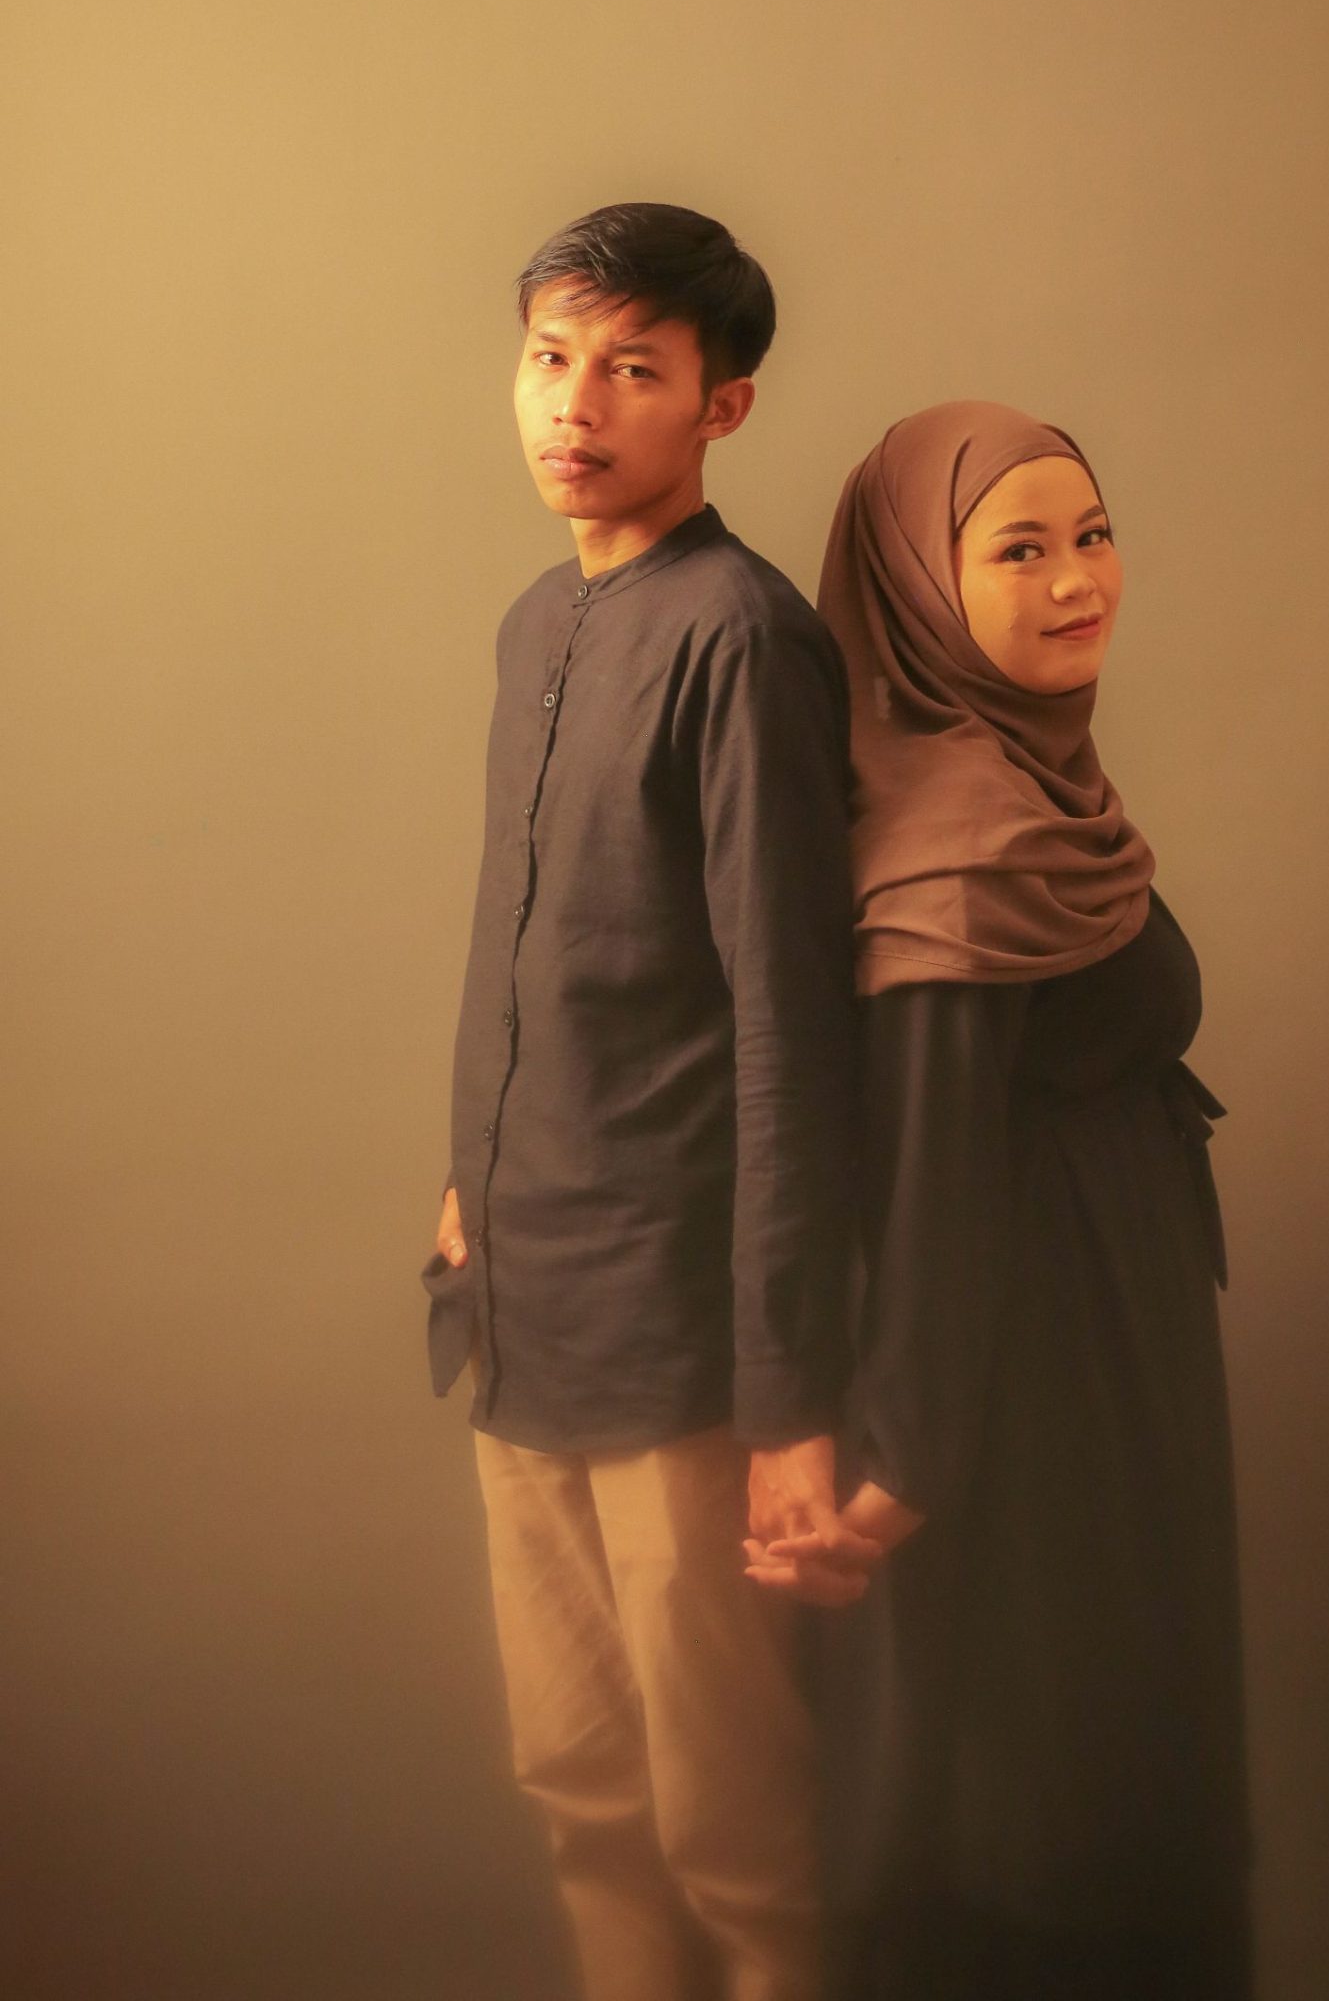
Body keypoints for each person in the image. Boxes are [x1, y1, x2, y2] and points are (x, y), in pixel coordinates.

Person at [746, 400, 1253, 2001]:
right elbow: (929, 1179)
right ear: (917, 584)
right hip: (1032, 1392)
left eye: (1092, 535)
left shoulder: (1029, 784)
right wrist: (903, 1464)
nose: (1076, 580)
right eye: (1018, 549)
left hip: (1099, 1343)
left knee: (1115, 1768)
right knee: (1051, 1801)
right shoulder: (959, 839)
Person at [423, 203, 862, 2001]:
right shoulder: (540, 620)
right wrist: (472, 1179)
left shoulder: (740, 640)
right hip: (521, 1301)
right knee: (577, 1790)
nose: (575, 404)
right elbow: (539, 948)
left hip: (680, 1336)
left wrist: (792, 1400)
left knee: (728, 1828)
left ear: (721, 406)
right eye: (551, 358)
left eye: (632, 368)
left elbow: (791, 1032)